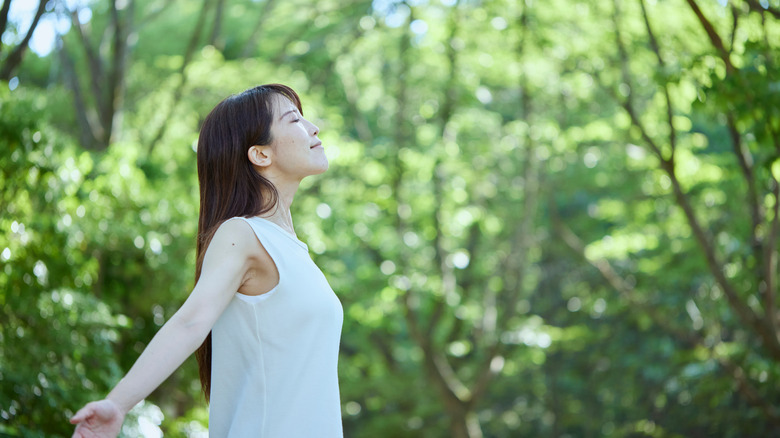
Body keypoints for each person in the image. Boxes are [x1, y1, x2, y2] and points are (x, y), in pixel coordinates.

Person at [70, 84, 344, 437]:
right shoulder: (243, 233)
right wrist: (118, 404)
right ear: (260, 154)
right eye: (294, 119)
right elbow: (191, 322)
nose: (313, 128)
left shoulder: (293, 249)